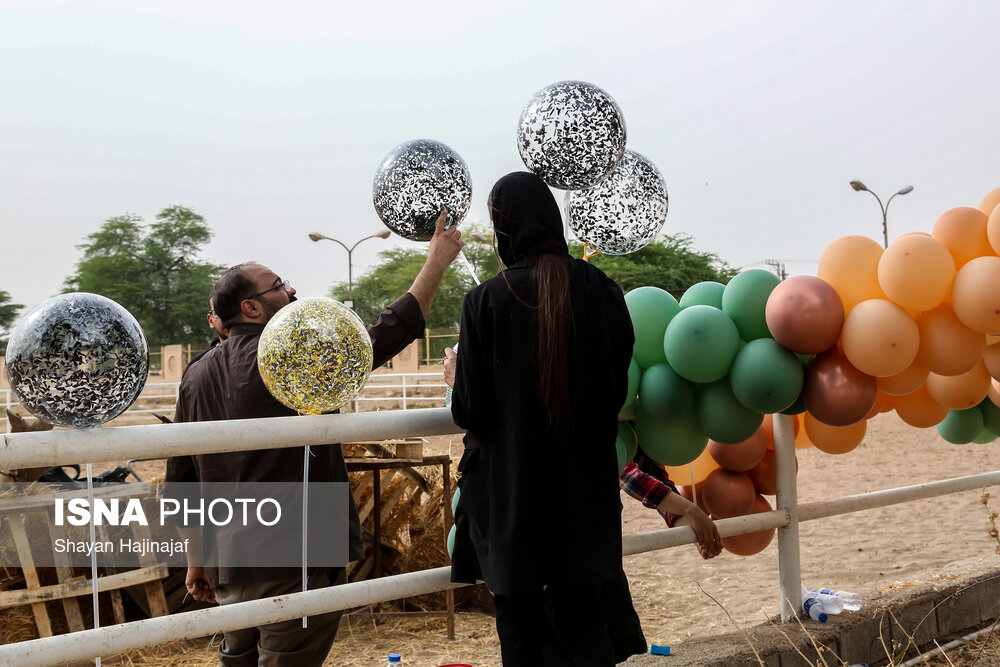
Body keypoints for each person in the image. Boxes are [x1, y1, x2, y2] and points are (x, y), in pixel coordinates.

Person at [165, 212, 462, 666]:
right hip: (292, 561)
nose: (293, 291)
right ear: (251, 307)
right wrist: (435, 263)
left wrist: (198, 561)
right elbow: (387, 333)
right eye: (280, 285)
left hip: (228, 566)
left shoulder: (195, 375)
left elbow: (181, 482)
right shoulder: (292, 358)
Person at [444, 171, 637, 666]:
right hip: (584, 494)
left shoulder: (485, 299)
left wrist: (455, 377)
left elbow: (471, 410)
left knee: (521, 630)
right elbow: (615, 393)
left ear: (503, 225)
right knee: (586, 620)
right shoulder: (603, 290)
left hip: (512, 499)